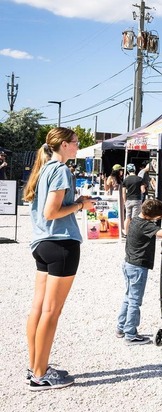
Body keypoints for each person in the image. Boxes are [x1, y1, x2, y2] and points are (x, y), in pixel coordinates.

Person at [23, 127, 95, 390]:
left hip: (42, 243)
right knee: (51, 312)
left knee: (39, 308)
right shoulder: (61, 170)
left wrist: (74, 202)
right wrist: (81, 205)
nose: (77, 146)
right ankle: (40, 375)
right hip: (61, 243)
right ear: (64, 145)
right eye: (75, 142)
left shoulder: (44, 169)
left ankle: (36, 366)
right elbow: (51, 212)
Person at [116, 199, 162, 345]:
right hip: (138, 267)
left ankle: (121, 328)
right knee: (135, 301)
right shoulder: (146, 225)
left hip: (128, 263)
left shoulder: (136, 219)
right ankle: (130, 334)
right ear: (153, 216)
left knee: (128, 297)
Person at [122, 163, 147, 236]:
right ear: (135, 170)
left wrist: (124, 201)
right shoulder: (139, 179)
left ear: (128, 170)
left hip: (128, 200)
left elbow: (123, 192)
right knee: (135, 218)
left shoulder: (126, 180)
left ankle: (126, 233)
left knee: (127, 217)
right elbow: (143, 190)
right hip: (137, 200)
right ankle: (133, 233)